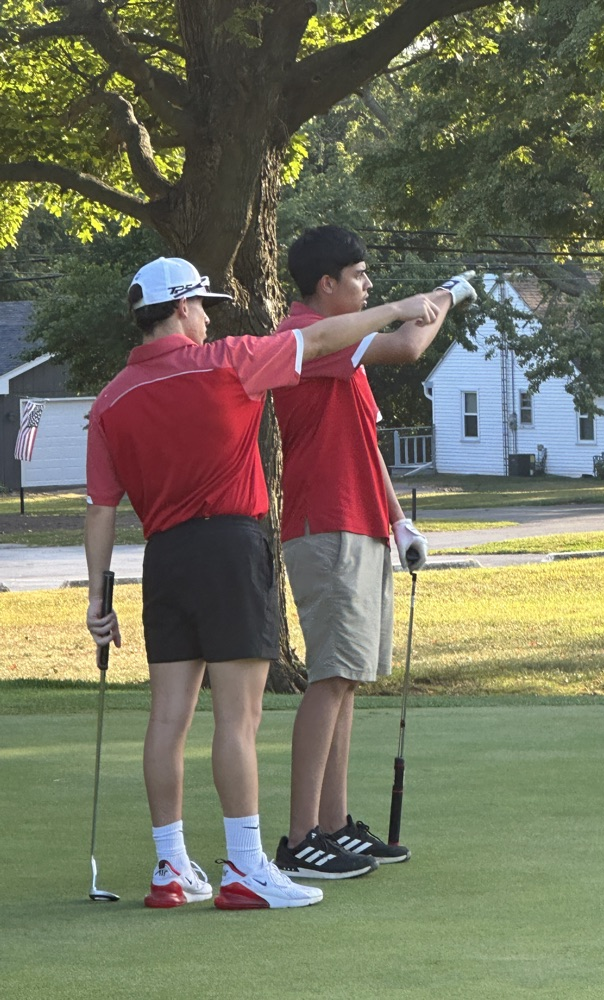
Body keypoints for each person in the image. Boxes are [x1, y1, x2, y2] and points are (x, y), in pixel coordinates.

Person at [84, 255, 441, 910]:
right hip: (228, 546)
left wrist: (97, 599)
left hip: (163, 558)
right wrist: (397, 309)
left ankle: (171, 868)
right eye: (203, 307)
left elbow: (101, 510)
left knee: (168, 718)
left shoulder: (110, 401)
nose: (206, 318)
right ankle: (245, 867)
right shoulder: (226, 361)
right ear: (184, 308)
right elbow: (322, 340)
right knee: (237, 718)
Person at [272, 226, 476, 879]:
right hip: (324, 523)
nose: (367, 286)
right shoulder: (308, 334)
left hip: (359, 522)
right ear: (326, 284)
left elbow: (363, 444)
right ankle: (301, 836)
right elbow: (412, 344)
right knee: (331, 677)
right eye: (358, 276)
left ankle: (333, 825)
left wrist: (398, 522)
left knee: (349, 677)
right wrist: (445, 296)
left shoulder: (342, 346)